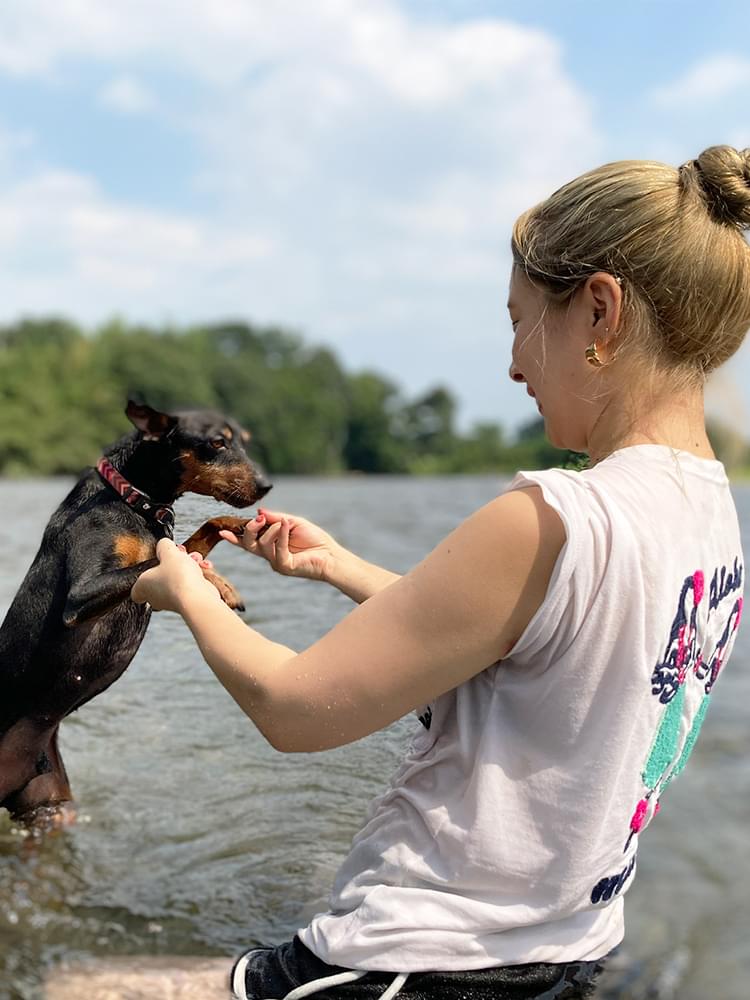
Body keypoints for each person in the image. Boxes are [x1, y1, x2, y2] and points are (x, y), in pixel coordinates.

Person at [131, 144, 750, 1000]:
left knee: (68, 984)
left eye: (519, 319)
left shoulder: (551, 516)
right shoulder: (710, 515)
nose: (513, 365)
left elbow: (294, 710)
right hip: (567, 947)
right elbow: (536, 663)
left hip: (420, 962)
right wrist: (341, 566)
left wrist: (187, 590)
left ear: (600, 313)